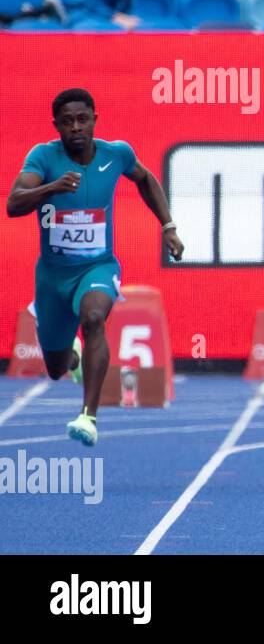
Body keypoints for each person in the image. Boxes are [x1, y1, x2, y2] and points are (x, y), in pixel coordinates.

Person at [5, 88, 184, 446]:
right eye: (67, 122)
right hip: (53, 276)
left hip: (98, 267)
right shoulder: (43, 158)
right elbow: (13, 204)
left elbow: (146, 179)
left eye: (82, 119)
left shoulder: (116, 153)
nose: (76, 127)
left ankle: (88, 416)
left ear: (94, 119)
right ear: (56, 125)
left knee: (94, 318)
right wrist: (51, 188)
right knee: (55, 369)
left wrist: (168, 226)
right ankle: (72, 356)